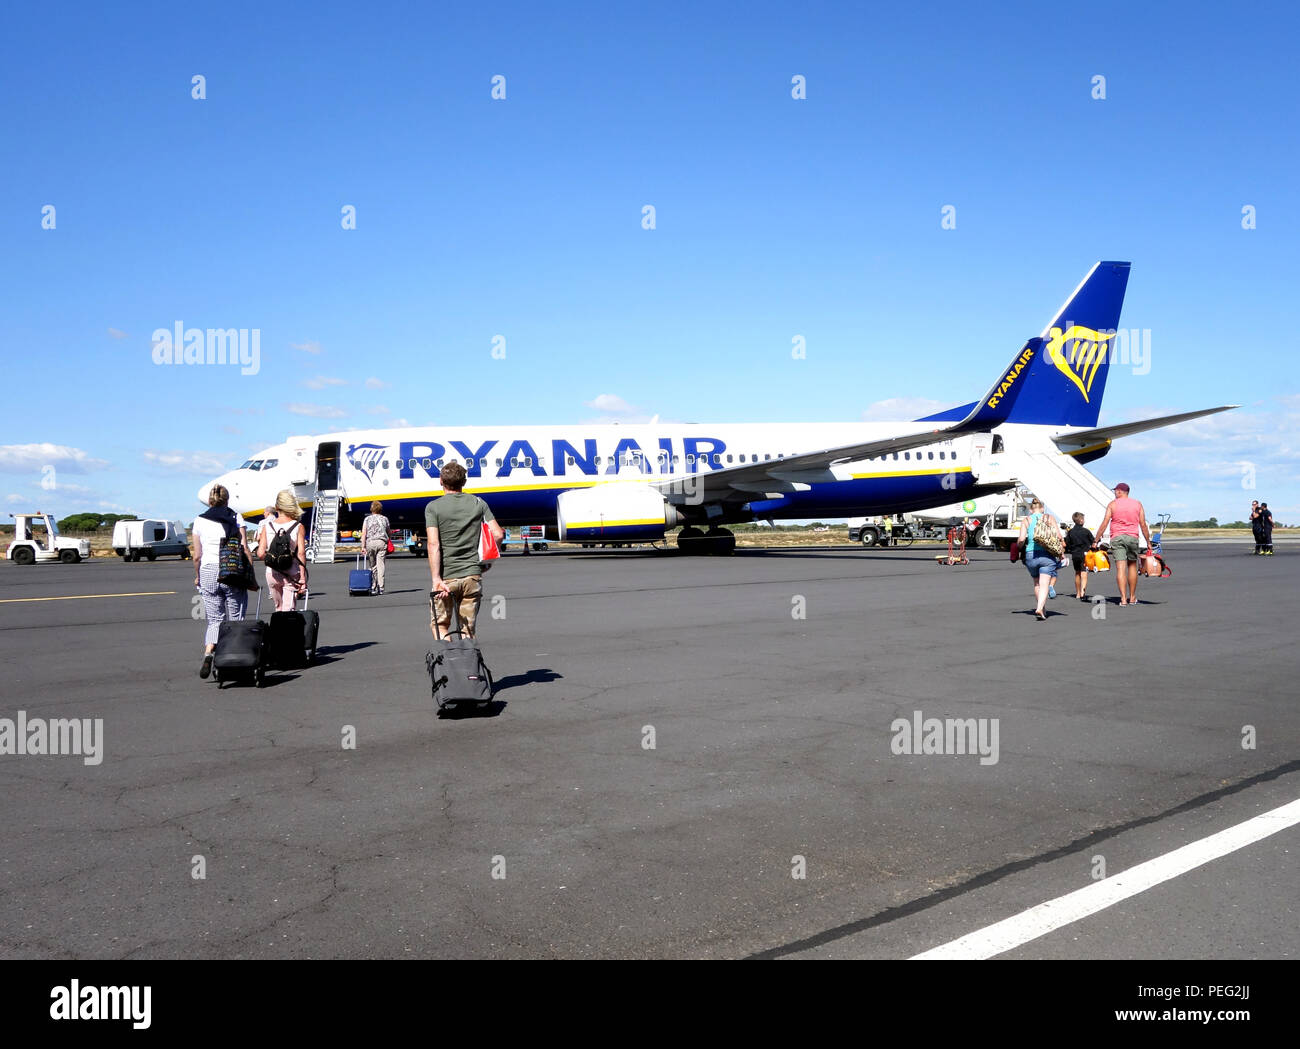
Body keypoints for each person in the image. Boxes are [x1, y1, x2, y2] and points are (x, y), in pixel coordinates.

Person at [425, 462, 504, 640]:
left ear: (440, 481)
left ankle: (450, 663)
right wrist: (486, 563)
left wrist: (436, 578)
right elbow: (498, 534)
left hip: (447, 578)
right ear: (464, 482)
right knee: (467, 630)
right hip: (472, 576)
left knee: (440, 625)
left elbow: (433, 544)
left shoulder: (433, 507)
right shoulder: (479, 503)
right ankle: (469, 666)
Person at [192, 483, 257, 679]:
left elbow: (197, 555)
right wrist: (250, 574)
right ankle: (234, 658)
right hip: (231, 570)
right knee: (236, 619)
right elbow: (245, 548)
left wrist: (198, 576)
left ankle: (209, 653)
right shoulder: (236, 517)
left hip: (208, 571)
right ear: (228, 499)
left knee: (214, 620)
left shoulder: (198, 520)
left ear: (210, 500)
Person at [1094, 482, 1152, 606]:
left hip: (1117, 537)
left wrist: (1096, 540)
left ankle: (1123, 599)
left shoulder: (1112, 504)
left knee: (1121, 568)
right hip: (1132, 537)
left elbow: (1105, 523)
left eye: (1116, 491)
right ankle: (1132, 597)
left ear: (1120, 491)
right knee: (1132, 566)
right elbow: (1143, 524)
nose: (1114, 493)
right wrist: (1148, 542)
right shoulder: (1138, 504)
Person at [258, 489, 307, 611]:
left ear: (276, 507)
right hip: (291, 572)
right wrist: (302, 577)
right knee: (288, 610)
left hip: (271, 573)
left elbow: (260, 553)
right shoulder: (298, 526)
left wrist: (273, 559)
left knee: (278, 608)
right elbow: (301, 553)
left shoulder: (267, 526)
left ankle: (277, 630)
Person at [1017, 497, 1061, 621]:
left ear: (1031, 510)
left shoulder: (1026, 520)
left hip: (1031, 555)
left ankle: (1043, 609)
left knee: (1036, 583)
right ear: (1042, 509)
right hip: (1046, 555)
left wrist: (1018, 548)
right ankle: (1040, 607)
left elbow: (1021, 540)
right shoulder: (1049, 518)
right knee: (1044, 584)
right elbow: (1058, 536)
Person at [360, 500, 391, 595]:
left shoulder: (367, 519)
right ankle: (381, 588)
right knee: (381, 565)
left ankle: (373, 586)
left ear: (371, 509)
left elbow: (364, 533)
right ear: (380, 509)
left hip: (370, 543)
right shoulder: (385, 519)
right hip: (381, 543)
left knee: (373, 566)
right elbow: (388, 532)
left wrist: (363, 546)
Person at [1064, 512, 1095, 601]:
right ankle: (1082, 592)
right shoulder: (1086, 531)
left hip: (1075, 554)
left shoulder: (1070, 532)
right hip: (1085, 555)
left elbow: (1067, 545)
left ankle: (1077, 593)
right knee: (1084, 573)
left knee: (1077, 573)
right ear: (1081, 520)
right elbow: (1092, 542)